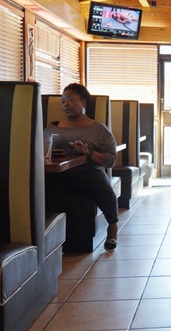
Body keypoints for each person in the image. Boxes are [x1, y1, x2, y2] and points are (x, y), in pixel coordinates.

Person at [44, 83, 119, 250]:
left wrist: (89, 153)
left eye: (71, 100)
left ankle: (112, 227)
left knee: (104, 189)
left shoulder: (99, 129)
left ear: (83, 103)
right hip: (57, 175)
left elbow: (112, 159)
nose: (66, 105)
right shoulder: (51, 128)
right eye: (63, 101)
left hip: (88, 172)